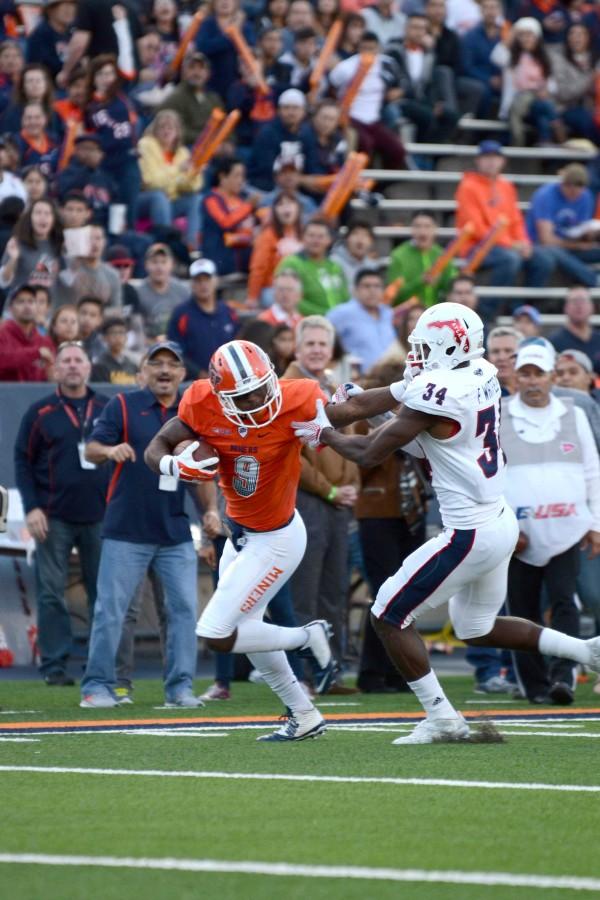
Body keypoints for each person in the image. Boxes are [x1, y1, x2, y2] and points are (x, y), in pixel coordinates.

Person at [291, 302, 600, 743]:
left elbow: (368, 452)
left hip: (469, 532)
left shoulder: (439, 392)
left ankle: (441, 716)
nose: (417, 353)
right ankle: (586, 650)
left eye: (425, 345)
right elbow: (419, 434)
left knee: (388, 614)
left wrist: (324, 434)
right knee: (477, 626)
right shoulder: (480, 374)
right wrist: (354, 410)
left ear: (449, 346)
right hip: (498, 519)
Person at [144, 338, 341, 741]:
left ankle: (309, 635)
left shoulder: (296, 395)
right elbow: (156, 447)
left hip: (278, 538)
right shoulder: (202, 400)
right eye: (243, 394)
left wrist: (377, 400)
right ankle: (304, 716)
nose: (255, 399)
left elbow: (347, 415)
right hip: (240, 535)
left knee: (216, 632)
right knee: (250, 635)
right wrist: (174, 464)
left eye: (259, 387)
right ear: (219, 392)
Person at [80, 341, 215, 708]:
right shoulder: (122, 405)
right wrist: (110, 451)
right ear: (143, 370)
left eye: (173, 363)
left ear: (183, 374)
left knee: (184, 611)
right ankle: (96, 687)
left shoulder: (194, 414)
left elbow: (203, 474)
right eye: (157, 363)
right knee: (112, 610)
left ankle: (180, 689)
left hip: (174, 531)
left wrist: (210, 512)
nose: (165, 370)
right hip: (126, 530)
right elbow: (92, 448)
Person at [502, 340, 600, 704]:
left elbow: (592, 471)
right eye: (525, 373)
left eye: (538, 373)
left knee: (564, 603)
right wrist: (503, 525)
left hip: (567, 529)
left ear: (552, 376)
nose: (532, 381)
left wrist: (595, 524)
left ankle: (563, 678)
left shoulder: (573, 413)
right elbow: (489, 474)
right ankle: (535, 685)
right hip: (516, 536)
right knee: (522, 610)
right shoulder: (498, 414)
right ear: (515, 376)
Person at [14, 341, 109, 685]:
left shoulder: (106, 407)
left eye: (78, 360)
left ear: (88, 367)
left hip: (100, 515)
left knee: (103, 592)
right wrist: (32, 508)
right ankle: (54, 666)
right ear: (56, 369)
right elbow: (22, 461)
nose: (72, 366)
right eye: (65, 360)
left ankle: (101, 664)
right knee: (51, 590)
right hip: (52, 515)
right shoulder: (40, 412)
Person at [282, 316, 361, 688]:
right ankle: (304, 673)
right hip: (307, 501)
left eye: (322, 344)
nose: (316, 349)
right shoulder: (285, 389)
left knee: (334, 590)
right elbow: (289, 455)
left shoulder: (331, 385)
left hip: (338, 503)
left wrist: (352, 484)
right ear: (296, 349)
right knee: (306, 591)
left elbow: (355, 439)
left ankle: (331, 670)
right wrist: (330, 490)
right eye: (309, 343)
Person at [455, 140, 553, 320]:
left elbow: (516, 220)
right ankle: (487, 312)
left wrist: (524, 243)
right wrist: (511, 245)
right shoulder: (468, 186)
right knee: (510, 259)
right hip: (475, 247)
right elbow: (477, 228)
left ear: (503, 161)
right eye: (486, 157)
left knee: (544, 260)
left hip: (505, 245)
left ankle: (526, 309)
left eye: (495, 157)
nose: (491, 162)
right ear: (478, 161)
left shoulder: (506, 186)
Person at [137, 110, 203, 251]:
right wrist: (178, 169)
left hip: (170, 201)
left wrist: (195, 173)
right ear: (155, 130)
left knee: (196, 199)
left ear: (178, 132)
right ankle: (166, 248)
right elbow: (151, 182)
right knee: (159, 197)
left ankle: (192, 247)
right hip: (144, 199)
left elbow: (188, 188)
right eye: (162, 127)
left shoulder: (182, 153)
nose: (166, 131)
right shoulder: (146, 145)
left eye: (171, 127)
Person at [526, 164, 600, 289]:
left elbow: (579, 229)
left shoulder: (586, 196)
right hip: (540, 246)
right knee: (554, 253)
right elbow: (546, 240)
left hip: (569, 245)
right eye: (569, 188)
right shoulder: (545, 195)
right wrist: (577, 245)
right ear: (563, 184)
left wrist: (590, 236)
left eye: (578, 190)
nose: (574, 193)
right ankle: (594, 280)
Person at [167, 258, 239, 378]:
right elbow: (175, 351)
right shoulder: (181, 314)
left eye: (207, 279)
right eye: (198, 280)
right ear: (191, 283)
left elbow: (237, 345)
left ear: (216, 280)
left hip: (228, 380)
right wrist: (199, 374)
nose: (203, 284)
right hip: (193, 383)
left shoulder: (228, 312)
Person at [327, 269, 396, 373]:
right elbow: (324, 340)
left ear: (383, 290)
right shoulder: (341, 314)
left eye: (377, 286)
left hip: (391, 379)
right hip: (358, 381)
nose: (372, 291)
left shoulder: (389, 314)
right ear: (355, 290)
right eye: (367, 286)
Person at [276, 218, 349, 316]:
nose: (315, 240)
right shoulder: (292, 263)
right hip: (309, 322)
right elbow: (290, 300)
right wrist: (326, 315)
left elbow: (345, 297)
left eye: (320, 236)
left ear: (329, 240)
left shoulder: (334, 266)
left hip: (339, 321)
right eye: (311, 236)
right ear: (303, 238)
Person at [386, 211, 459, 308]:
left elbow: (452, 287)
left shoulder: (442, 255)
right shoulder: (399, 256)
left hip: (436, 314)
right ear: (411, 229)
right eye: (417, 226)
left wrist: (442, 280)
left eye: (427, 226)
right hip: (407, 316)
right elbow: (394, 296)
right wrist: (421, 282)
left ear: (435, 229)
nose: (422, 232)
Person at [202, 157, 257, 275]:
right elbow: (225, 223)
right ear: (222, 177)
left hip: (245, 255)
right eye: (237, 176)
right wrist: (248, 206)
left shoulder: (242, 199)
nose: (241, 181)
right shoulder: (211, 199)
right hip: (223, 258)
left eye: (243, 176)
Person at [0, 198, 63, 301]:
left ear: (54, 219)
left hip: (47, 312)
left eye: (47, 214)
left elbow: (68, 281)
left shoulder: (59, 245)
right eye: (38, 213)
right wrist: (13, 259)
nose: (42, 217)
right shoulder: (17, 243)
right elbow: (3, 281)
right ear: (30, 218)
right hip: (19, 309)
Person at [247, 88, 309, 193]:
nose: (291, 112)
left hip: (295, 188)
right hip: (265, 187)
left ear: (303, 111)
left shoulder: (307, 133)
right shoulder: (267, 133)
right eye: (286, 108)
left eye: (295, 108)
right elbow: (266, 168)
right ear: (278, 111)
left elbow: (311, 163)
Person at [247, 192, 303, 306]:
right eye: (281, 204)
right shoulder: (268, 236)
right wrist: (252, 297)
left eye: (290, 203)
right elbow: (258, 268)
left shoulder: (304, 235)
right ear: (274, 211)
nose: (286, 207)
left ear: (298, 208)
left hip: (301, 288)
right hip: (273, 289)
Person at [157, 52, 224, 147]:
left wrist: (227, 142)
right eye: (192, 67)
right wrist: (207, 139)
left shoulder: (213, 98)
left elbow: (223, 124)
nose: (196, 73)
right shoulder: (176, 97)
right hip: (187, 148)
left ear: (208, 73)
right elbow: (174, 130)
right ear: (183, 72)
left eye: (201, 68)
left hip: (214, 146)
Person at [58, 223, 122, 309]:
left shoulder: (113, 275)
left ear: (104, 242)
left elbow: (116, 309)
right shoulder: (69, 269)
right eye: (88, 239)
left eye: (98, 238)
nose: (94, 243)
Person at [0, 283, 55, 380]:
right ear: (11, 309)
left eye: (31, 301)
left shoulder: (45, 341)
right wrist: (36, 353)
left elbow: (51, 375)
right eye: (21, 302)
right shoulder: (2, 334)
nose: (27, 306)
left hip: (38, 394)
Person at [460, 0, 503, 117]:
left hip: (502, 80)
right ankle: (479, 133)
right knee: (484, 92)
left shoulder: (505, 35)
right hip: (480, 80)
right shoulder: (470, 36)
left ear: (499, 11)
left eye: (493, 8)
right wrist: (489, 79)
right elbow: (467, 67)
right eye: (487, 8)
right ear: (480, 10)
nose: (490, 12)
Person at [137, 242, 188, 339]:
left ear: (172, 264)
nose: (159, 267)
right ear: (146, 265)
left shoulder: (183, 291)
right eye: (154, 262)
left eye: (164, 262)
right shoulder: (138, 293)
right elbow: (137, 331)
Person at [549, 285, 600, 375]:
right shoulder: (554, 342)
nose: (579, 306)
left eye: (583, 301)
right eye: (574, 301)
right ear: (565, 307)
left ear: (592, 307)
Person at [26, 0, 77, 80]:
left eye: (72, 6)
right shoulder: (40, 35)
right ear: (50, 10)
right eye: (65, 7)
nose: (70, 10)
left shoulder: (73, 32)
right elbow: (39, 67)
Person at [330, 220, 378, 291]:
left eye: (365, 235)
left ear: (372, 242)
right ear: (346, 239)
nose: (360, 239)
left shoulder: (372, 266)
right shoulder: (333, 262)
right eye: (355, 234)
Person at [90, 317, 138, 384]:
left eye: (121, 332)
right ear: (105, 338)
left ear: (126, 337)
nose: (117, 337)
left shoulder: (132, 365)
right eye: (113, 333)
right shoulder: (99, 365)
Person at [76, 295, 105, 362]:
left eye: (93, 315)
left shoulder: (101, 348)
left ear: (99, 320)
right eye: (83, 313)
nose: (87, 318)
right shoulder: (65, 338)